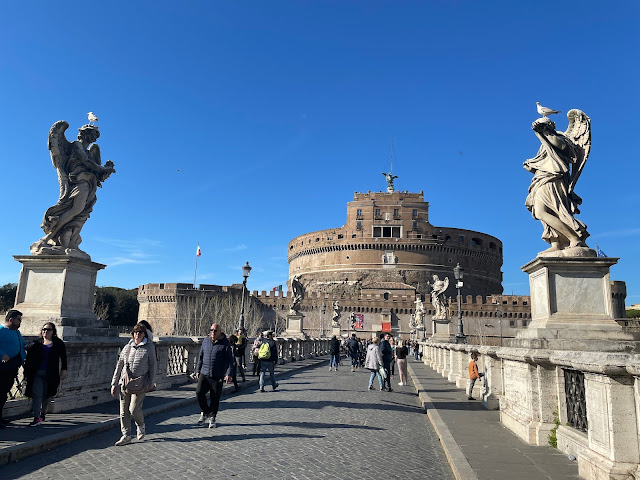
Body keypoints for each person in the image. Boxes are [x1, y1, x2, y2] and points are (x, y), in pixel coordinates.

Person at [111, 323, 157, 446]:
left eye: (140, 332)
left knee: (134, 409)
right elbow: (119, 366)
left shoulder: (149, 347)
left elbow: (153, 366)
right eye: (135, 332)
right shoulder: (127, 347)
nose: (137, 334)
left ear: (144, 334)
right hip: (125, 383)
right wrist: (114, 383)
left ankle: (140, 425)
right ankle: (126, 435)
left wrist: (151, 382)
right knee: (123, 411)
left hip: (141, 383)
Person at [24, 322, 67, 426]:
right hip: (37, 372)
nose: (45, 332)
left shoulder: (58, 343)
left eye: (48, 330)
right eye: (44, 329)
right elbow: (28, 352)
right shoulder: (37, 342)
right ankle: (36, 417)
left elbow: (63, 357)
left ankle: (43, 411)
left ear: (53, 332)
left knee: (47, 395)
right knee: (37, 395)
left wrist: (64, 370)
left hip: (51, 373)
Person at [195, 323, 233, 428]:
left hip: (217, 374)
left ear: (220, 332)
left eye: (215, 330)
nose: (212, 332)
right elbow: (201, 357)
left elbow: (230, 360)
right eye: (211, 330)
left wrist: (228, 374)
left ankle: (212, 417)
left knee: (214, 398)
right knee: (199, 393)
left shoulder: (225, 343)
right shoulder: (206, 341)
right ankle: (205, 412)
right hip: (205, 372)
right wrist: (197, 370)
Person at [0, 310, 26, 428]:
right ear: (11, 320)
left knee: (3, 393)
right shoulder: (1, 330)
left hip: (12, 367)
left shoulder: (17, 332)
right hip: (3, 367)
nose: (20, 322)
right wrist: (2, 354)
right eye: (18, 320)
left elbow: (21, 344)